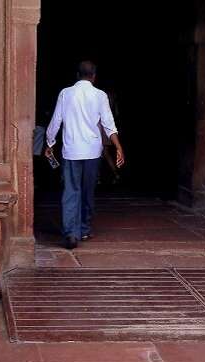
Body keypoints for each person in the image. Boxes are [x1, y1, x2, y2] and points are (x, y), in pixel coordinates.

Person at [45, 60, 125, 249]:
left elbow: (56, 120)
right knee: (88, 190)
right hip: (92, 151)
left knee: (71, 190)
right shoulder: (99, 95)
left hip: (71, 150)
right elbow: (108, 124)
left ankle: (71, 233)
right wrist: (118, 147)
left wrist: (50, 142)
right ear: (94, 76)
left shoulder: (66, 93)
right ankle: (84, 228)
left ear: (77, 75)